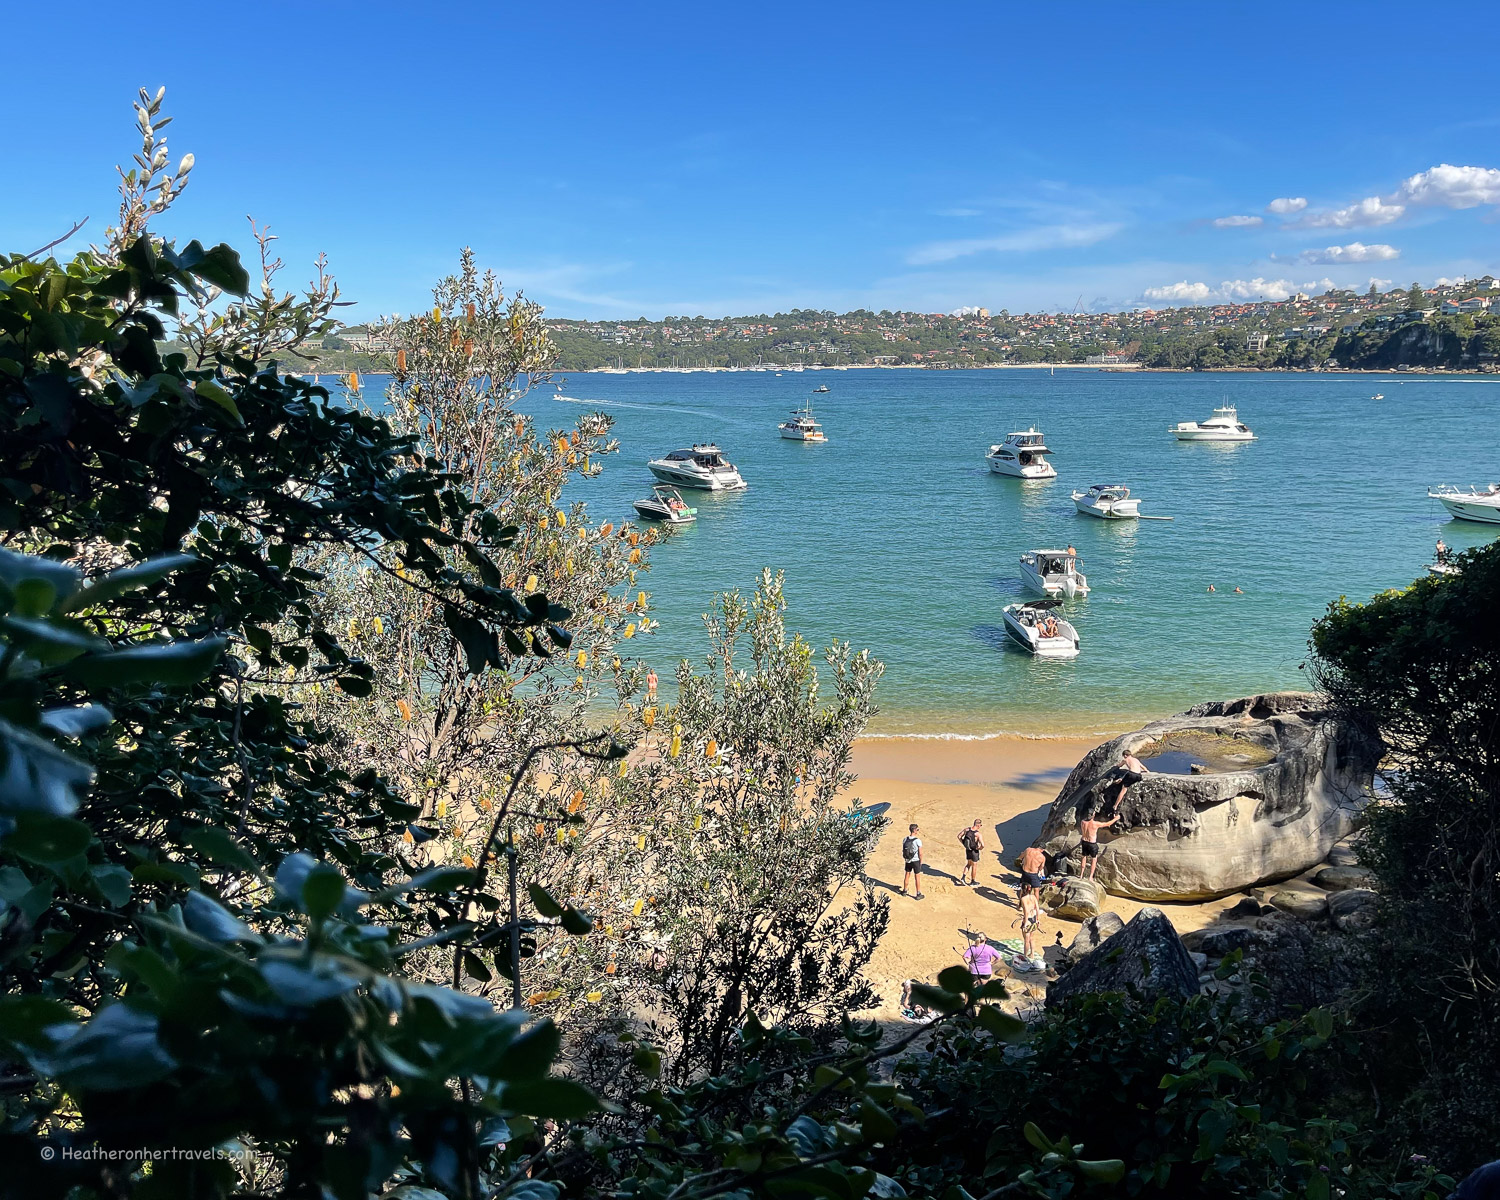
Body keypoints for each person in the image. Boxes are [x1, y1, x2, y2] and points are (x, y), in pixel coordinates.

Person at [1079, 807, 1120, 881]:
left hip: (1084, 842)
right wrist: (1116, 818)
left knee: (1084, 857)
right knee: (1094, 859)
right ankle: (1090, 877)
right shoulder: (1095, 824)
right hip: (1092, 843)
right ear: (1093, 815)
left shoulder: (1083, 822)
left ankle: (1081, 875)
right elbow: (1108, 824)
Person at [901, 823, 925, 899]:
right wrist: (921, 862)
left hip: (908, 860)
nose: (918, 831)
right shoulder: (918, 841)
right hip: (915, 861)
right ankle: (918, 893)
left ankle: (904, 890)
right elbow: (920, 853)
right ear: (914, 830)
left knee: (907, 875)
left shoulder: (905, 839)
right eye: (917, 829)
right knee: (917, 877)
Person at [957, 818, 984, 886]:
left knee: (968, 864)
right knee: (974, 866)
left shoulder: (966, 830)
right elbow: (983, 845)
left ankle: (963, 878)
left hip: (968, 850)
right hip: (974, 851)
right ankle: (973, 881)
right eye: (980, 825)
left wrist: (963, 843)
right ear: (978, 825)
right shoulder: (978, 834)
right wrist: (979, 848)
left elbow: (959, 836)